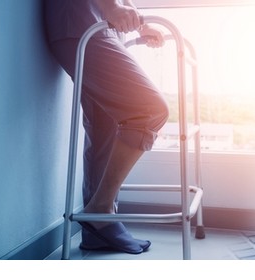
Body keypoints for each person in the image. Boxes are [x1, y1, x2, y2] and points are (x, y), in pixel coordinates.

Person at [45, 0, 168, 254]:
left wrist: (137, 21)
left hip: (89, 25)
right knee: (149, 109)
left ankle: (98, 231)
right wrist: (112, 7)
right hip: (80, 23)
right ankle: (100, 209)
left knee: (106, 125)